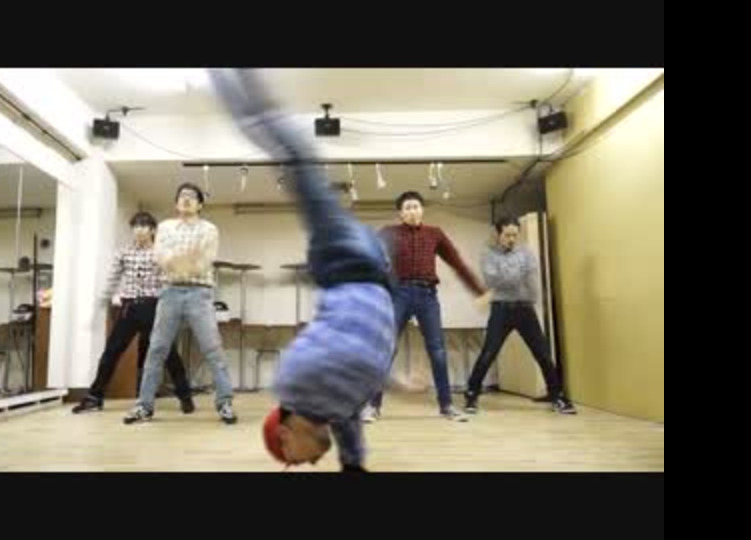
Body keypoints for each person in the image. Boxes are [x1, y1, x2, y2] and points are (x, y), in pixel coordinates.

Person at [209, 68, 396, 471]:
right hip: (375, 272)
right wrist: (353, 466)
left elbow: (347, 357)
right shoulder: (333, 407)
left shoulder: (294, 383)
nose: (308, 464)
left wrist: (394, 382)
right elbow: (350, 427)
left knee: (294, 154)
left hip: (343, 258)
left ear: (284, 435)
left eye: (293, 461)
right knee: (296, 155)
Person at [365, 190, 486, 422]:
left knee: (438, 351)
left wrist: (478, 290)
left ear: (422, 210)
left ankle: (446, 406)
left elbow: (457, 262)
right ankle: (372, 406)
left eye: (416, 206)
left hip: (427, 296)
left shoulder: (434, 234)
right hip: (398, 295)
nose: (413, 211)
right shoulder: (388, 233)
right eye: (408, 207)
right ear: (401, 213)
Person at [124, 183, 238, 425]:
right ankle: (144, 406)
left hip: (200, 292)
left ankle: (225, 403)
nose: (186, 199)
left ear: (200, 204)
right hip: (170, 292)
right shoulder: (165, 227)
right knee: (157, 349)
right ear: (176, 203)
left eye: (192, 197)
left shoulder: (209, 229)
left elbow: (205, 261)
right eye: (182, 196)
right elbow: (161, 258)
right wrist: (186, 259)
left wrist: (179, 261)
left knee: (213, 349)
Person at [71, 211, 195, 415]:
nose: (139, 230)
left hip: (153, 306)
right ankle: (94, 397)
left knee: (168, 353)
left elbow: (173, 279)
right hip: (128, 308)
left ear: (152, 230)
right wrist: (100, 303)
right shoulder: (123, 252)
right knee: (111, 351)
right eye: (136, 226)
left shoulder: (162, 253)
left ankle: (185, 396)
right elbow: (112, 279)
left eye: (144, 226)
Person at [464, 217, 576, 415]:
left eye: (515, 235)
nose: (511, 239)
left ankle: (557, 396)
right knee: (489, 353)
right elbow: (493, 281)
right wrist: (518, 274)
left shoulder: (526, 253)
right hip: (501, 309)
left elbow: (532, 279)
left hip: (525, 309)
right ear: (498, 234)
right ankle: (472, 393)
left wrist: (514, 280)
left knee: (542, 353)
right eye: (507, 235)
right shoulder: (488, 254)